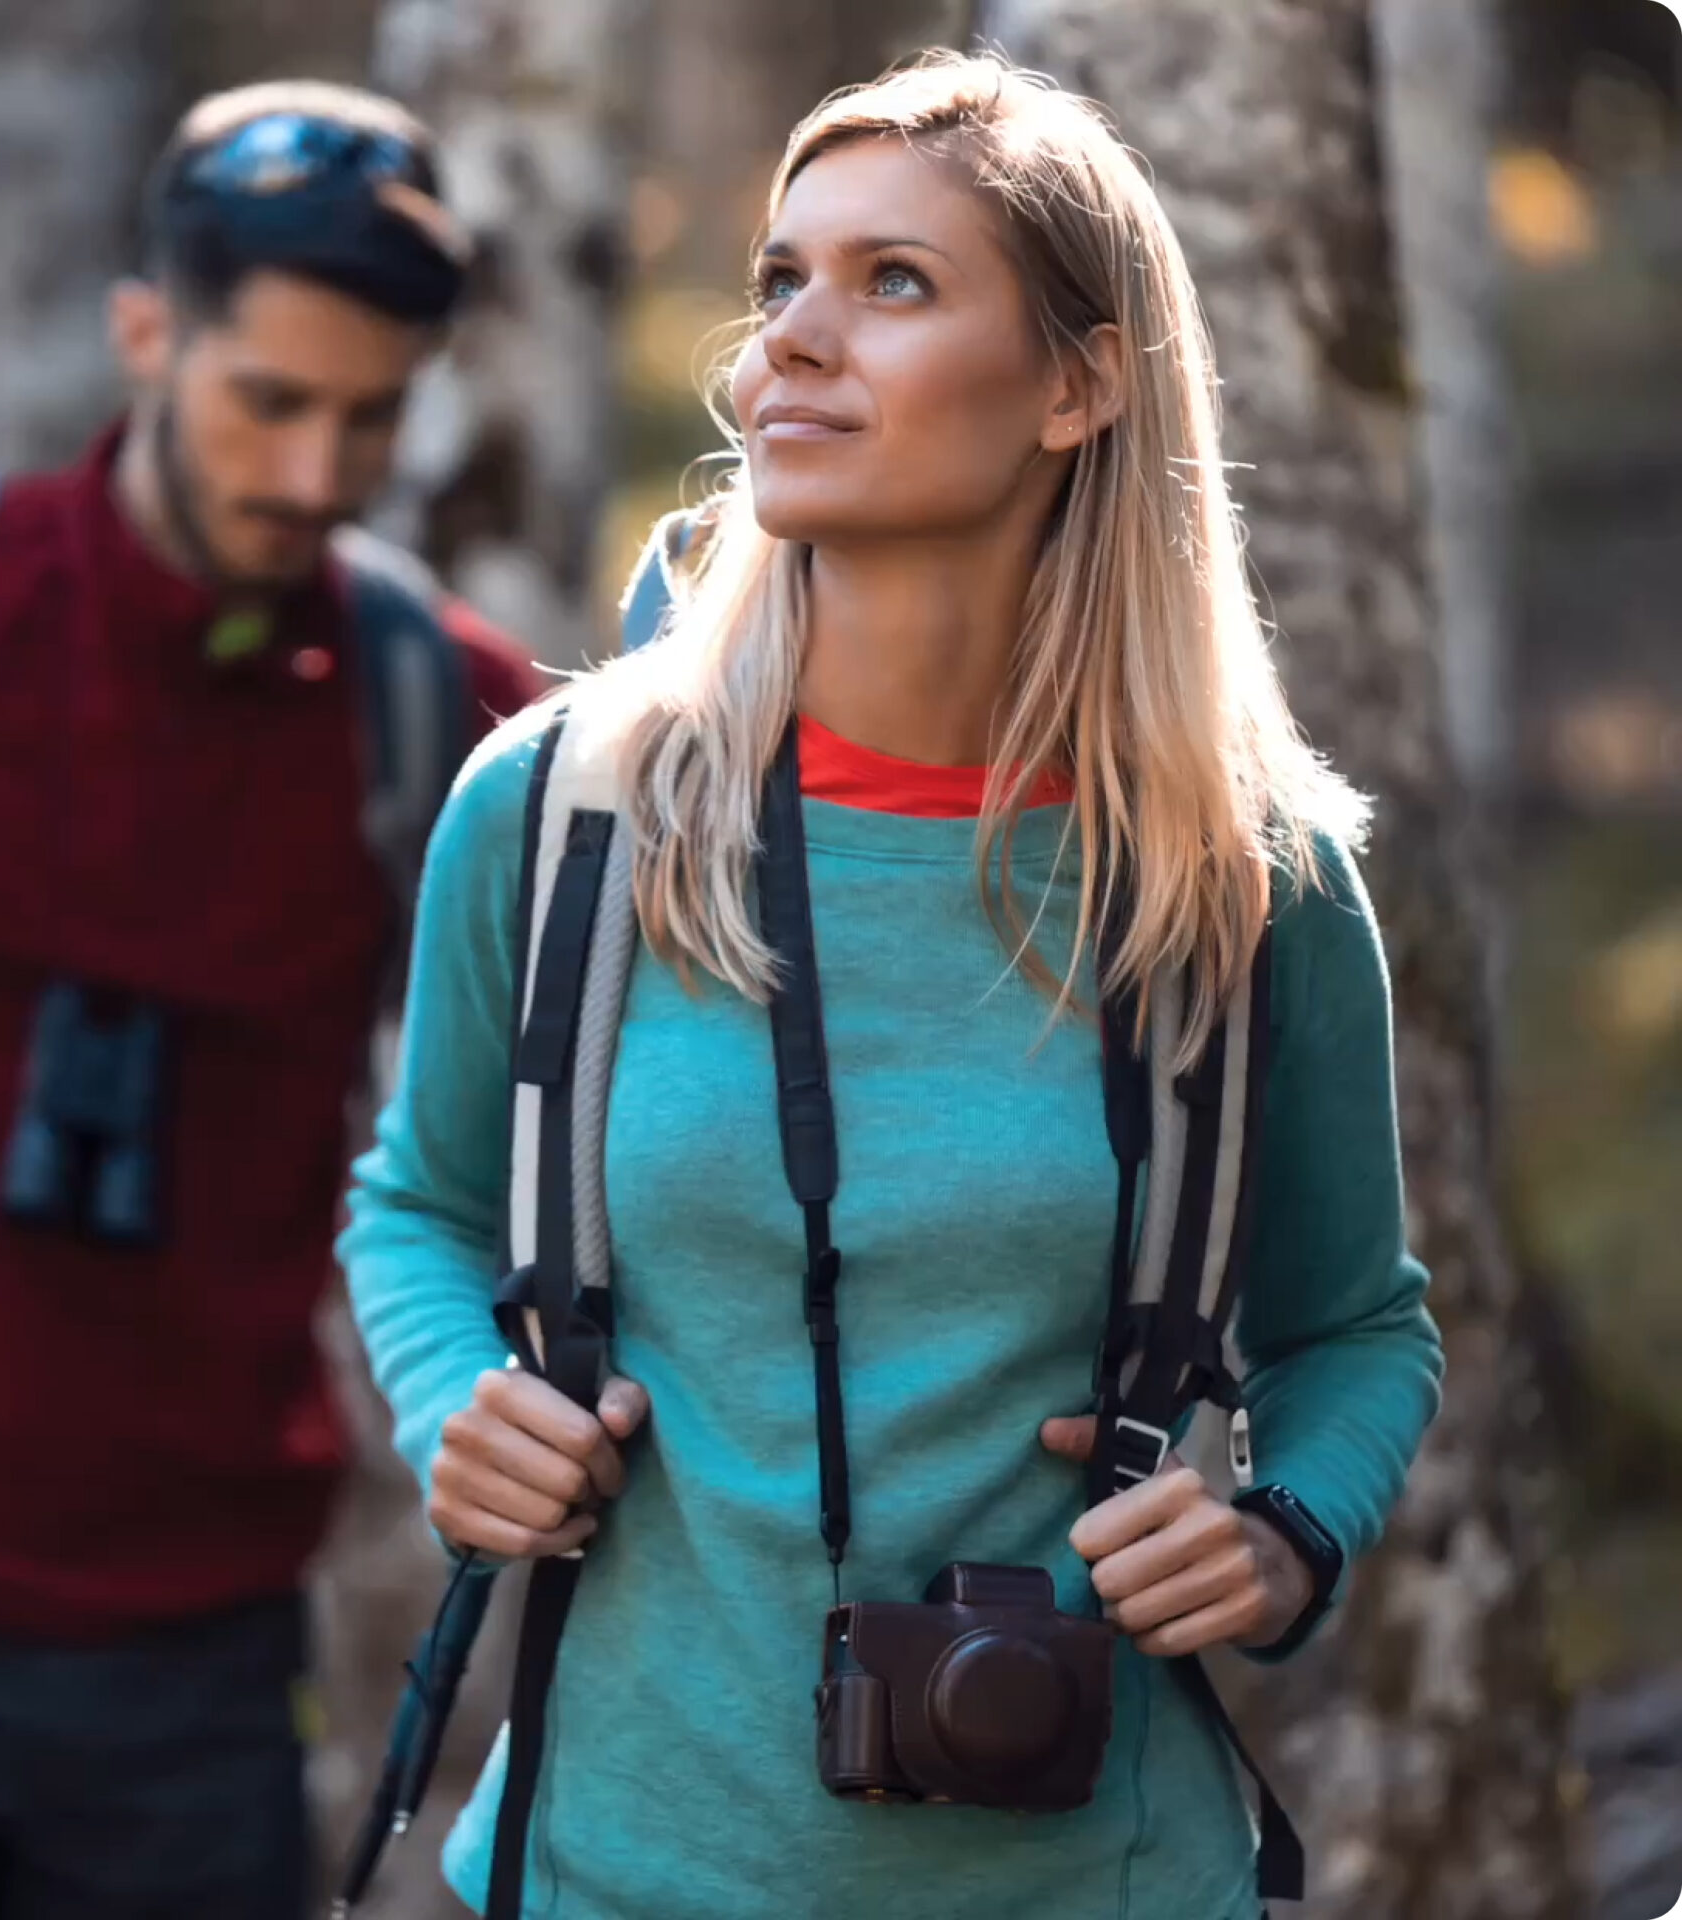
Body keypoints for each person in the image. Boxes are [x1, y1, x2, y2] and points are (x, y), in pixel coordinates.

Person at [341, 51, 1445, 1920]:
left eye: (896, 283)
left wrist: (1281, 1539)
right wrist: (465, 1402)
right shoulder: (564, 810)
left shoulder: (1247, 881)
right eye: (782, 279)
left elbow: (1357, 1329)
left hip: (1105, 1882)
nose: (788, 339)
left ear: (1081, 386)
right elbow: (421, 1204)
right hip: (615, 1872)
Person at [0, 80, 545, 1920]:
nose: (314, 474)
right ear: (143, 335)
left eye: (370, 418)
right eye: (267, 401)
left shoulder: (439, 716)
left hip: (201, 1668)